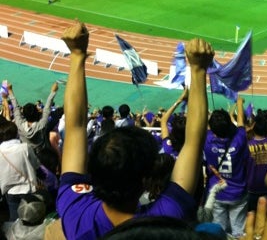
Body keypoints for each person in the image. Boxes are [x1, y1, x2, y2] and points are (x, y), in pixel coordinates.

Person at [56, 20, 215, 239]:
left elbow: (75, 127)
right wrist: (198, 70)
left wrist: (76, 55)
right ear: (146, 180)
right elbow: (194, 143)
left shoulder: (76, 212)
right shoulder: (167, 217)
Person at [203, 99, 249, 239]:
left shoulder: (207, 140)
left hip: (217, 193)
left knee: (219, 231)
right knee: (239, 232)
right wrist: (240, 104)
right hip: (238, 193)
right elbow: (241, 123)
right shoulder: (239, 138)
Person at [0, 119, 41, 221]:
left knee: (14, 220)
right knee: (32, 219)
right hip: (28, 188)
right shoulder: (25, 148)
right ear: (15, 133)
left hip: (10, 191)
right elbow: (36, 165)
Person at [8, 81, 58, 156]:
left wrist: (10, 91)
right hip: (41, 155)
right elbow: (47, 109)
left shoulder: (19, 124)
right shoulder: (42, 125)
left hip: (25, 155)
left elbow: (16, 108)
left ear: (23, 114)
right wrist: (53, 92)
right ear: (36, 113)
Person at [245, 114, 267, 212]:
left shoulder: (247, 145)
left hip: (251, 187)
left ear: (253, 129)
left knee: (252, 217)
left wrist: (247, 131)